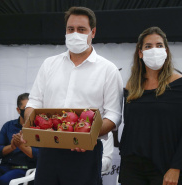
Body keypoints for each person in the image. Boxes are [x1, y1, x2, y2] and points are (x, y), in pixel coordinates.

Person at [24, 6, 123, 185]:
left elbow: (114, 115)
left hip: (85, 152)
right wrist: (32, 126)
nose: (74, 33)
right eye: (70, 29)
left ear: (93, 32)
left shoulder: (108, 70)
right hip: (48, 149)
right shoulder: (49, 64)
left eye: (81, 29)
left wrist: (88, 136)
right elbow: (34, 101)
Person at [119, 27, 182, 185]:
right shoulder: (131, 86)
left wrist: (176, 167)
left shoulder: (180, 84)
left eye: (159, 45)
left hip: (167, 167)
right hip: (133, 167)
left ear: (166, 51)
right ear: (140, 52)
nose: (154, 50)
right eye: (148, 46)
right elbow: (130, 126)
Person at [0, 93, 39, 185]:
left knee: (4, 181)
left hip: (25, 170)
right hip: (4, 166)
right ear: (18, 110)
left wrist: (22, 146)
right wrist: (12, 146)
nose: (30, 112)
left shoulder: (40, 130)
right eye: (26, 109)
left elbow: (40, 156)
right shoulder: (8, 126)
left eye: (32, 109)